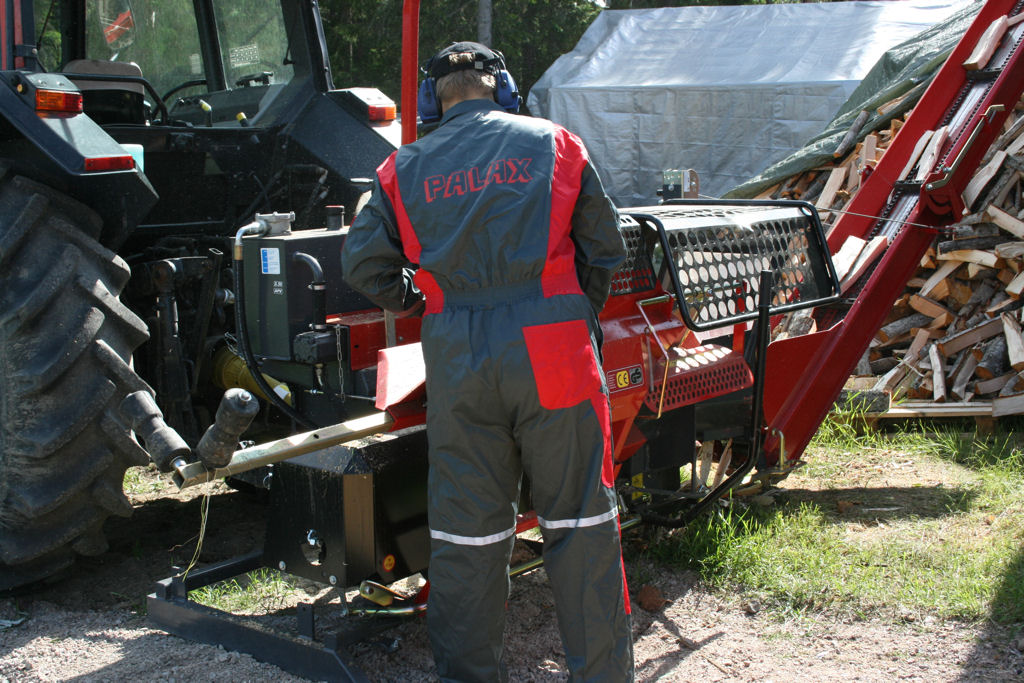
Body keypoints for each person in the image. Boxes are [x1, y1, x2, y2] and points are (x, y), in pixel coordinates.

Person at [341, 41, 633, 682]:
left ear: (429, 101)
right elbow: (606, 251)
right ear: (501, 87)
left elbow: (362, 265)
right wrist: (569, 312)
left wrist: (422, 297)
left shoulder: (400, 169)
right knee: (581, 520)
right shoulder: (556, 144)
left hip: (459, 354)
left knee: (468, 536)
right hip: (553, 345)